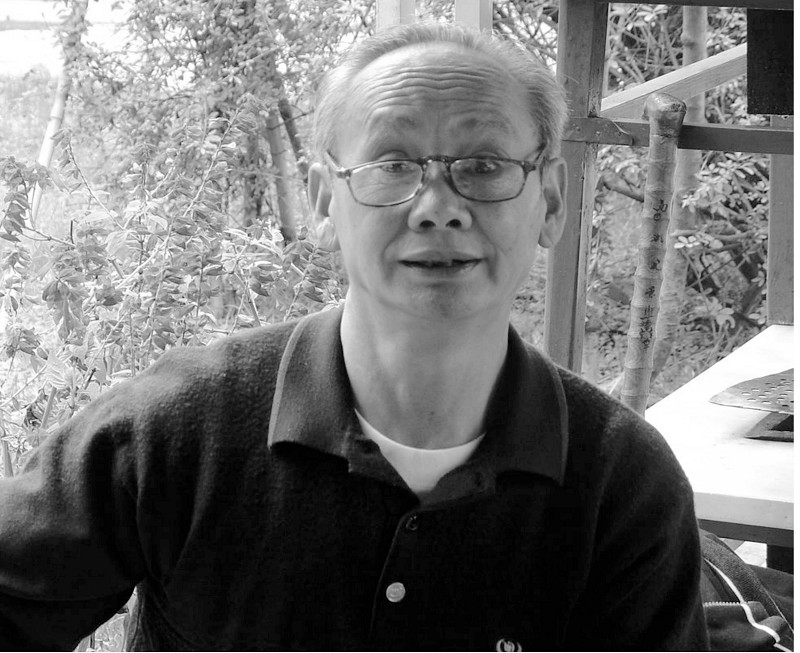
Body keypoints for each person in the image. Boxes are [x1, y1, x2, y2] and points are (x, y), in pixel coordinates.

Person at [0, 22, 709, 651]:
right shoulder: (180, 429)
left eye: (483, 166)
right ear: (322, 200)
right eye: (392, 165)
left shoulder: (619, 482)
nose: (437, 208)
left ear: (550, 201)